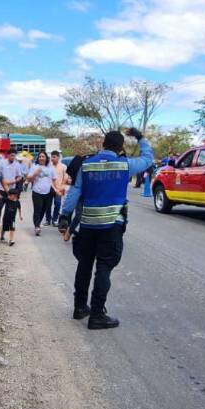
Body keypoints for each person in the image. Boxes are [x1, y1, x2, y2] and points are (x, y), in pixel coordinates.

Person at [58, 128, 154, 330]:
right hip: (111, 226)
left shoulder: (87, 165)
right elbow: (148, 158)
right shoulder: (125, 164)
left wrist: (65, 215)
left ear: (103, 144)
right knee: (104, 268)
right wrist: (140, 138)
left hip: (87, 225)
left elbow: (76, 191)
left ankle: (79, 307)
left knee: (84, 266)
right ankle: (97, 314)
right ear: (120, 148)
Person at [27, 151, 55, 236]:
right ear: (38, 158)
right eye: (40, 157)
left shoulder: (50, 168)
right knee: (37, 210)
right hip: (37, 192)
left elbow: (54, 179)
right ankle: (37, 226)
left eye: (43, 157)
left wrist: (58, 189)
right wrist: (35, 174)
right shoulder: (34, 166)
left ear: (46, 158)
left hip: (47, 192)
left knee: (43, 209)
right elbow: (28, 178)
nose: (41, 158)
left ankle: (38, 223)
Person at [49, 151, 69, 224]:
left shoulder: (64, 167)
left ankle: (54, 219)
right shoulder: (49, 166)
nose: (52, 158)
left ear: (58, 157)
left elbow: (65, 178)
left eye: (54, 157)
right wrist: (54, 188)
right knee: (48, 204)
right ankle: (48, 219)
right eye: (51, 157)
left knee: (57, 204)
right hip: (50, 188)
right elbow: (48, 179)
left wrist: (62, 188)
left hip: (59, 189)